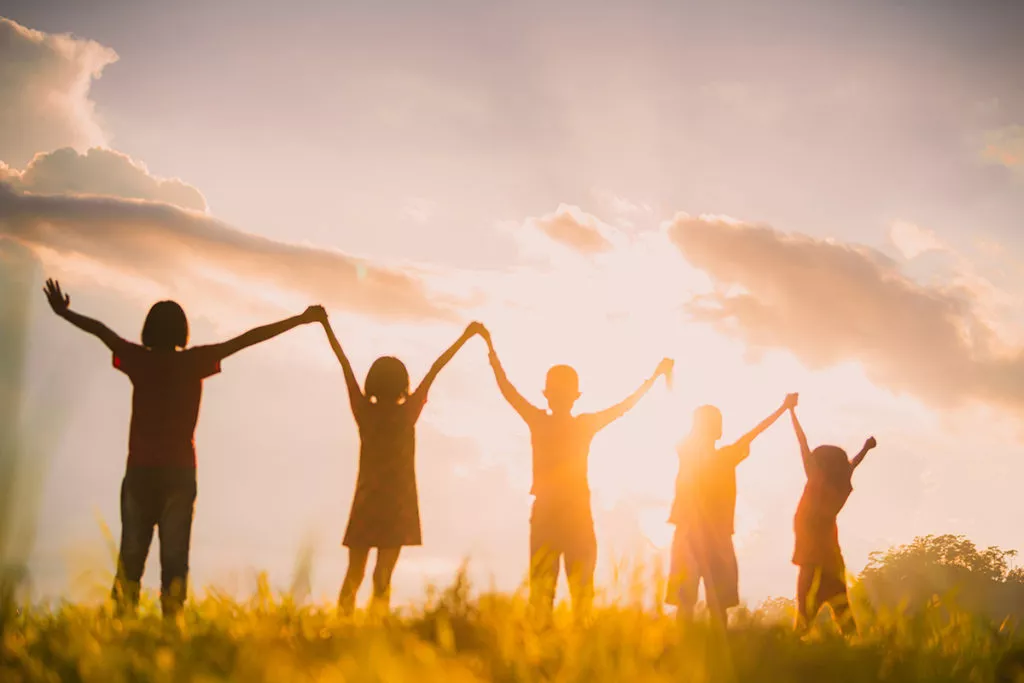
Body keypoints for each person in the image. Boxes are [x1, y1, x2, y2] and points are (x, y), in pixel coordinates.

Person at [42, 279, 323, 618]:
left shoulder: (139, 360)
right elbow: (248, 339)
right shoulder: (193, 362)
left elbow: (101, 331)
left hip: (140, 472)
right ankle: (172, 624)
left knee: (131, 556)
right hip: (179, 473)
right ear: (182, 331)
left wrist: (64, 313)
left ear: (148, 329)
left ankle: (121, 624)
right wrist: (299, 319)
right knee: (174, 558)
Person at [482, 326, 673, 620]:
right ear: (576, 396)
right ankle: (574, 637)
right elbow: (624, 406)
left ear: (547, 395)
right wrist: (654, 377)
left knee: (547, 591)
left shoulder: (541, 420)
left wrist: (491, 350)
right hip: (573, 514)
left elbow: (507, 390)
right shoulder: (581, 425)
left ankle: (545, 638)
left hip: (553, 513)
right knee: (578, 590)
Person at [321, 314, 485, 616]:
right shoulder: (408, 412)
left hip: (367, 501)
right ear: (403, 384)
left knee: (354, 573)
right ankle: (375, 629)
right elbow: (436, 368)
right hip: (397, 505)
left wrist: (325, 325)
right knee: (382, 578)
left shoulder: (364, 411)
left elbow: (344, 363)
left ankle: (341, 627)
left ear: (372, 382)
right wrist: (465, 337)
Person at [667, 393, 798, 626]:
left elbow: (755, 431)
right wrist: (783, 408)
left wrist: (782, 408)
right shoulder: (720, 457)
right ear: (718, 430)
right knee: (712, 604)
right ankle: (710, 642)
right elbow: (756, 431)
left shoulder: (690, 453)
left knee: (693, 602)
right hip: (711, 536)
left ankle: (689, 641)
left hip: (694, 534)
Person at [788, 404, 876, 635]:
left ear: (821, 464)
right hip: (832, 560)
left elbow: (802, 442)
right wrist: (866, 448)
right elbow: (853, 464)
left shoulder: (816, 480)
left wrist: (791, 412)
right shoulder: (841, 483)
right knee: (844, 616)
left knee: (803, 618)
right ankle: (860, 650)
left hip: (811, 561)